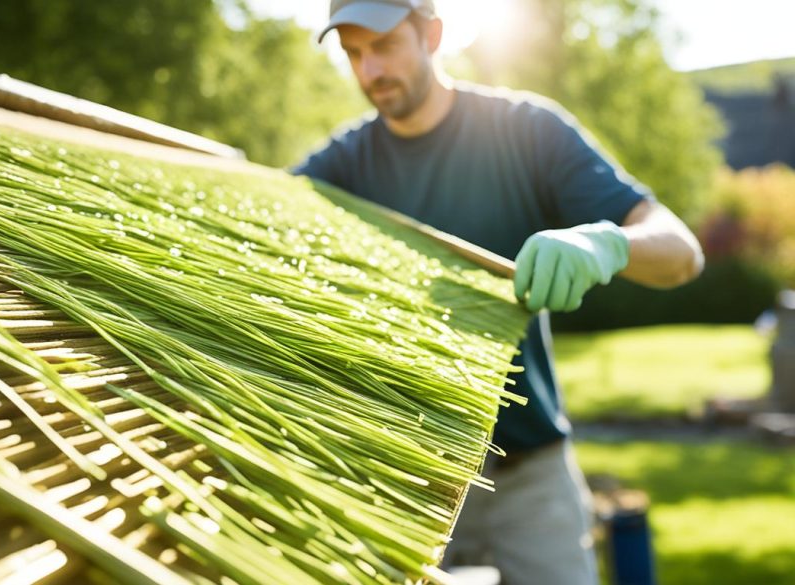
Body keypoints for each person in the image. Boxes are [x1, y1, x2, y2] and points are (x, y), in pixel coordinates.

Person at [294, 1, 704, 584]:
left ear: (431, 34)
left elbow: (682, 252)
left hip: (529, 476)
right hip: (407, 480)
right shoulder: (339, 169)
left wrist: (607, 244)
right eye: (353, 53)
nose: (369, 71)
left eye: (383, 45)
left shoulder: (526, 131)